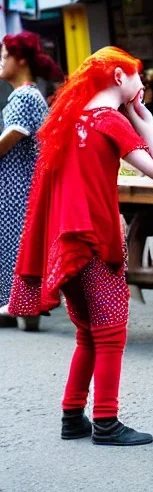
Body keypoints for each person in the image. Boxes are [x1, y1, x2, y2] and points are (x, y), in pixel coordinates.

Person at [2, 47, 153, 445]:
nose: (141, 83)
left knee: (88, 331)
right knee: (111, 332)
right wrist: (147, 122)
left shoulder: (67, 120)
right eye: (136, 75)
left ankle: (73, 415)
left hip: (64, 242)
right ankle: (106, 420)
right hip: (96, 239)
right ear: (119, 78)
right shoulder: (110, 122)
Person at [0, 31, 63, 329]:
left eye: (3, 57)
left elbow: (6, 142)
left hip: (18, 186)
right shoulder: (27, 94)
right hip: (21, 184)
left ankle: (20, 305)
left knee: (15, 244)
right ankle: (17, 305)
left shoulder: (24, 96)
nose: (0, 63)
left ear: (20, 60)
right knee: (15, 245)